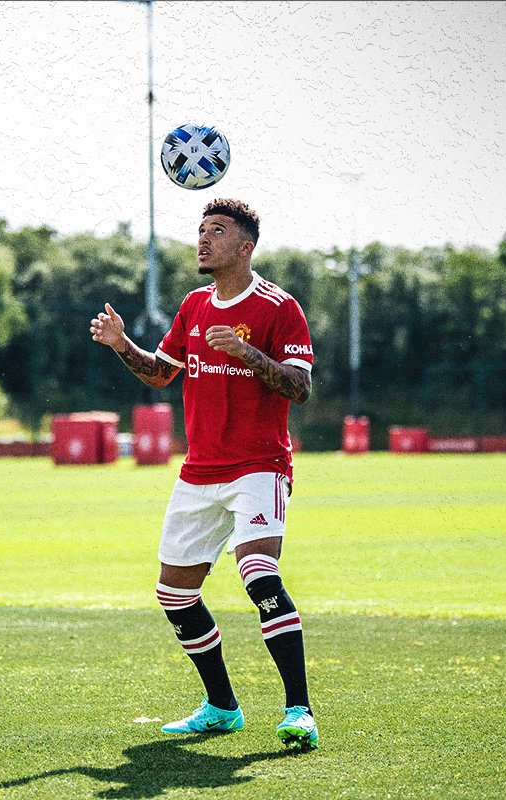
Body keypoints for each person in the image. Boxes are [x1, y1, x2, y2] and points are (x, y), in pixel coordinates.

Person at [90, 199, 318, 750]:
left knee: (258, 575)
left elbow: (300, 387)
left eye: (217, 231)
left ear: (245, 247)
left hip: (258, 466)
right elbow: (160, 374)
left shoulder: (279, 307)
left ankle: (299, 711)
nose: (203, 239)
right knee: (174, 593)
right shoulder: (193, 306)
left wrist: (245, 352)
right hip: (199, 471)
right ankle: (221, 707)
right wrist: (122, 345)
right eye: (201, 230)